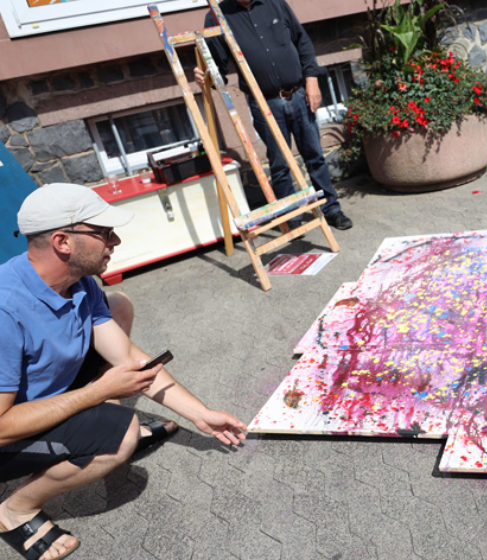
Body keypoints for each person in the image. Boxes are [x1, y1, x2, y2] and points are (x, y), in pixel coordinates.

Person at [0, 183, 248, 560]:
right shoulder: (5, 311)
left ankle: (100, 429)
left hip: (37, 399)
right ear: (63, 242)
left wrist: (201, 414)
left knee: (118, 305)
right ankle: (15, 509)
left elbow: (126, 356)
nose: (115, 240)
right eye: (103, 233)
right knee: (122, 437)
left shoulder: (81, 284)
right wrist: (97, 393)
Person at [196, 0, 353, 230]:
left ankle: (331, 209)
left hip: (299, 94)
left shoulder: (275, 3)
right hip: (264, 103)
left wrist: (312, 79)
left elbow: (302, 41)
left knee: (314, 155)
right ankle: (292, 218)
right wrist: (206, 76)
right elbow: (216, 68)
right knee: (280, 164)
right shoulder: (217, 16)